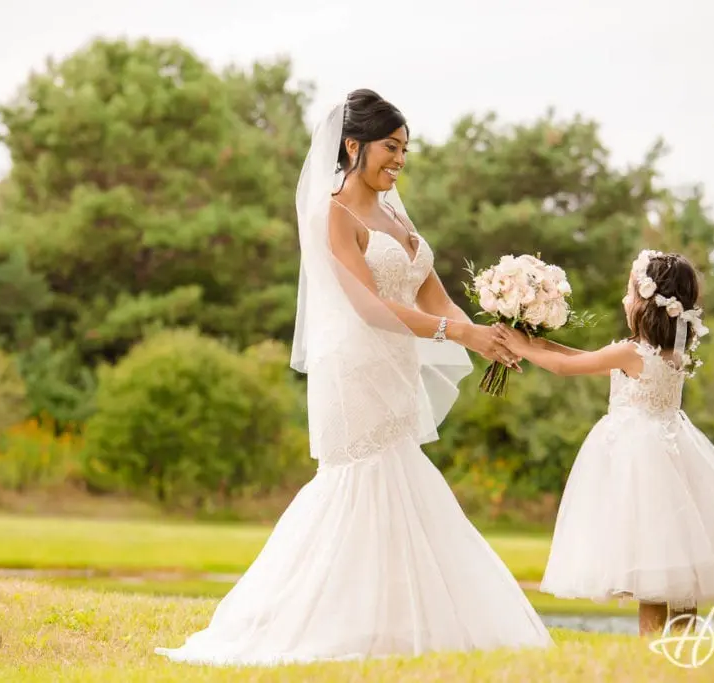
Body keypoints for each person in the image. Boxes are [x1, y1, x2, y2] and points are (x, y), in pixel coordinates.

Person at [154, 89, 552, 665]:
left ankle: (398, 626)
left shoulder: (394, 211)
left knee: (398, 482)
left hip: (395, 363)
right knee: (360, 483)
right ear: (352, 145)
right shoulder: (333, 213)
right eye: (391, 147)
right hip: (354, 368)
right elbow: (367, 307)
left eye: (405, 149)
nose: (399, 159)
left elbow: (433, 294)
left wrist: (492, 337)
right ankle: (306, 621)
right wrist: (460, 336)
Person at [493, 250, 714, 636]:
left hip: (639, 461)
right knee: (680, 568)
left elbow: (569, 367)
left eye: (629, 293)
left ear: (647, 304)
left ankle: (653, 654)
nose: (623, 300)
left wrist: (520, 348)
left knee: (650, 573)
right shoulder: (674, 354)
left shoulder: (631, 352)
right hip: (674, 453)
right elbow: (584, 357)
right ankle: (682, 651)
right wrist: (534, 344)